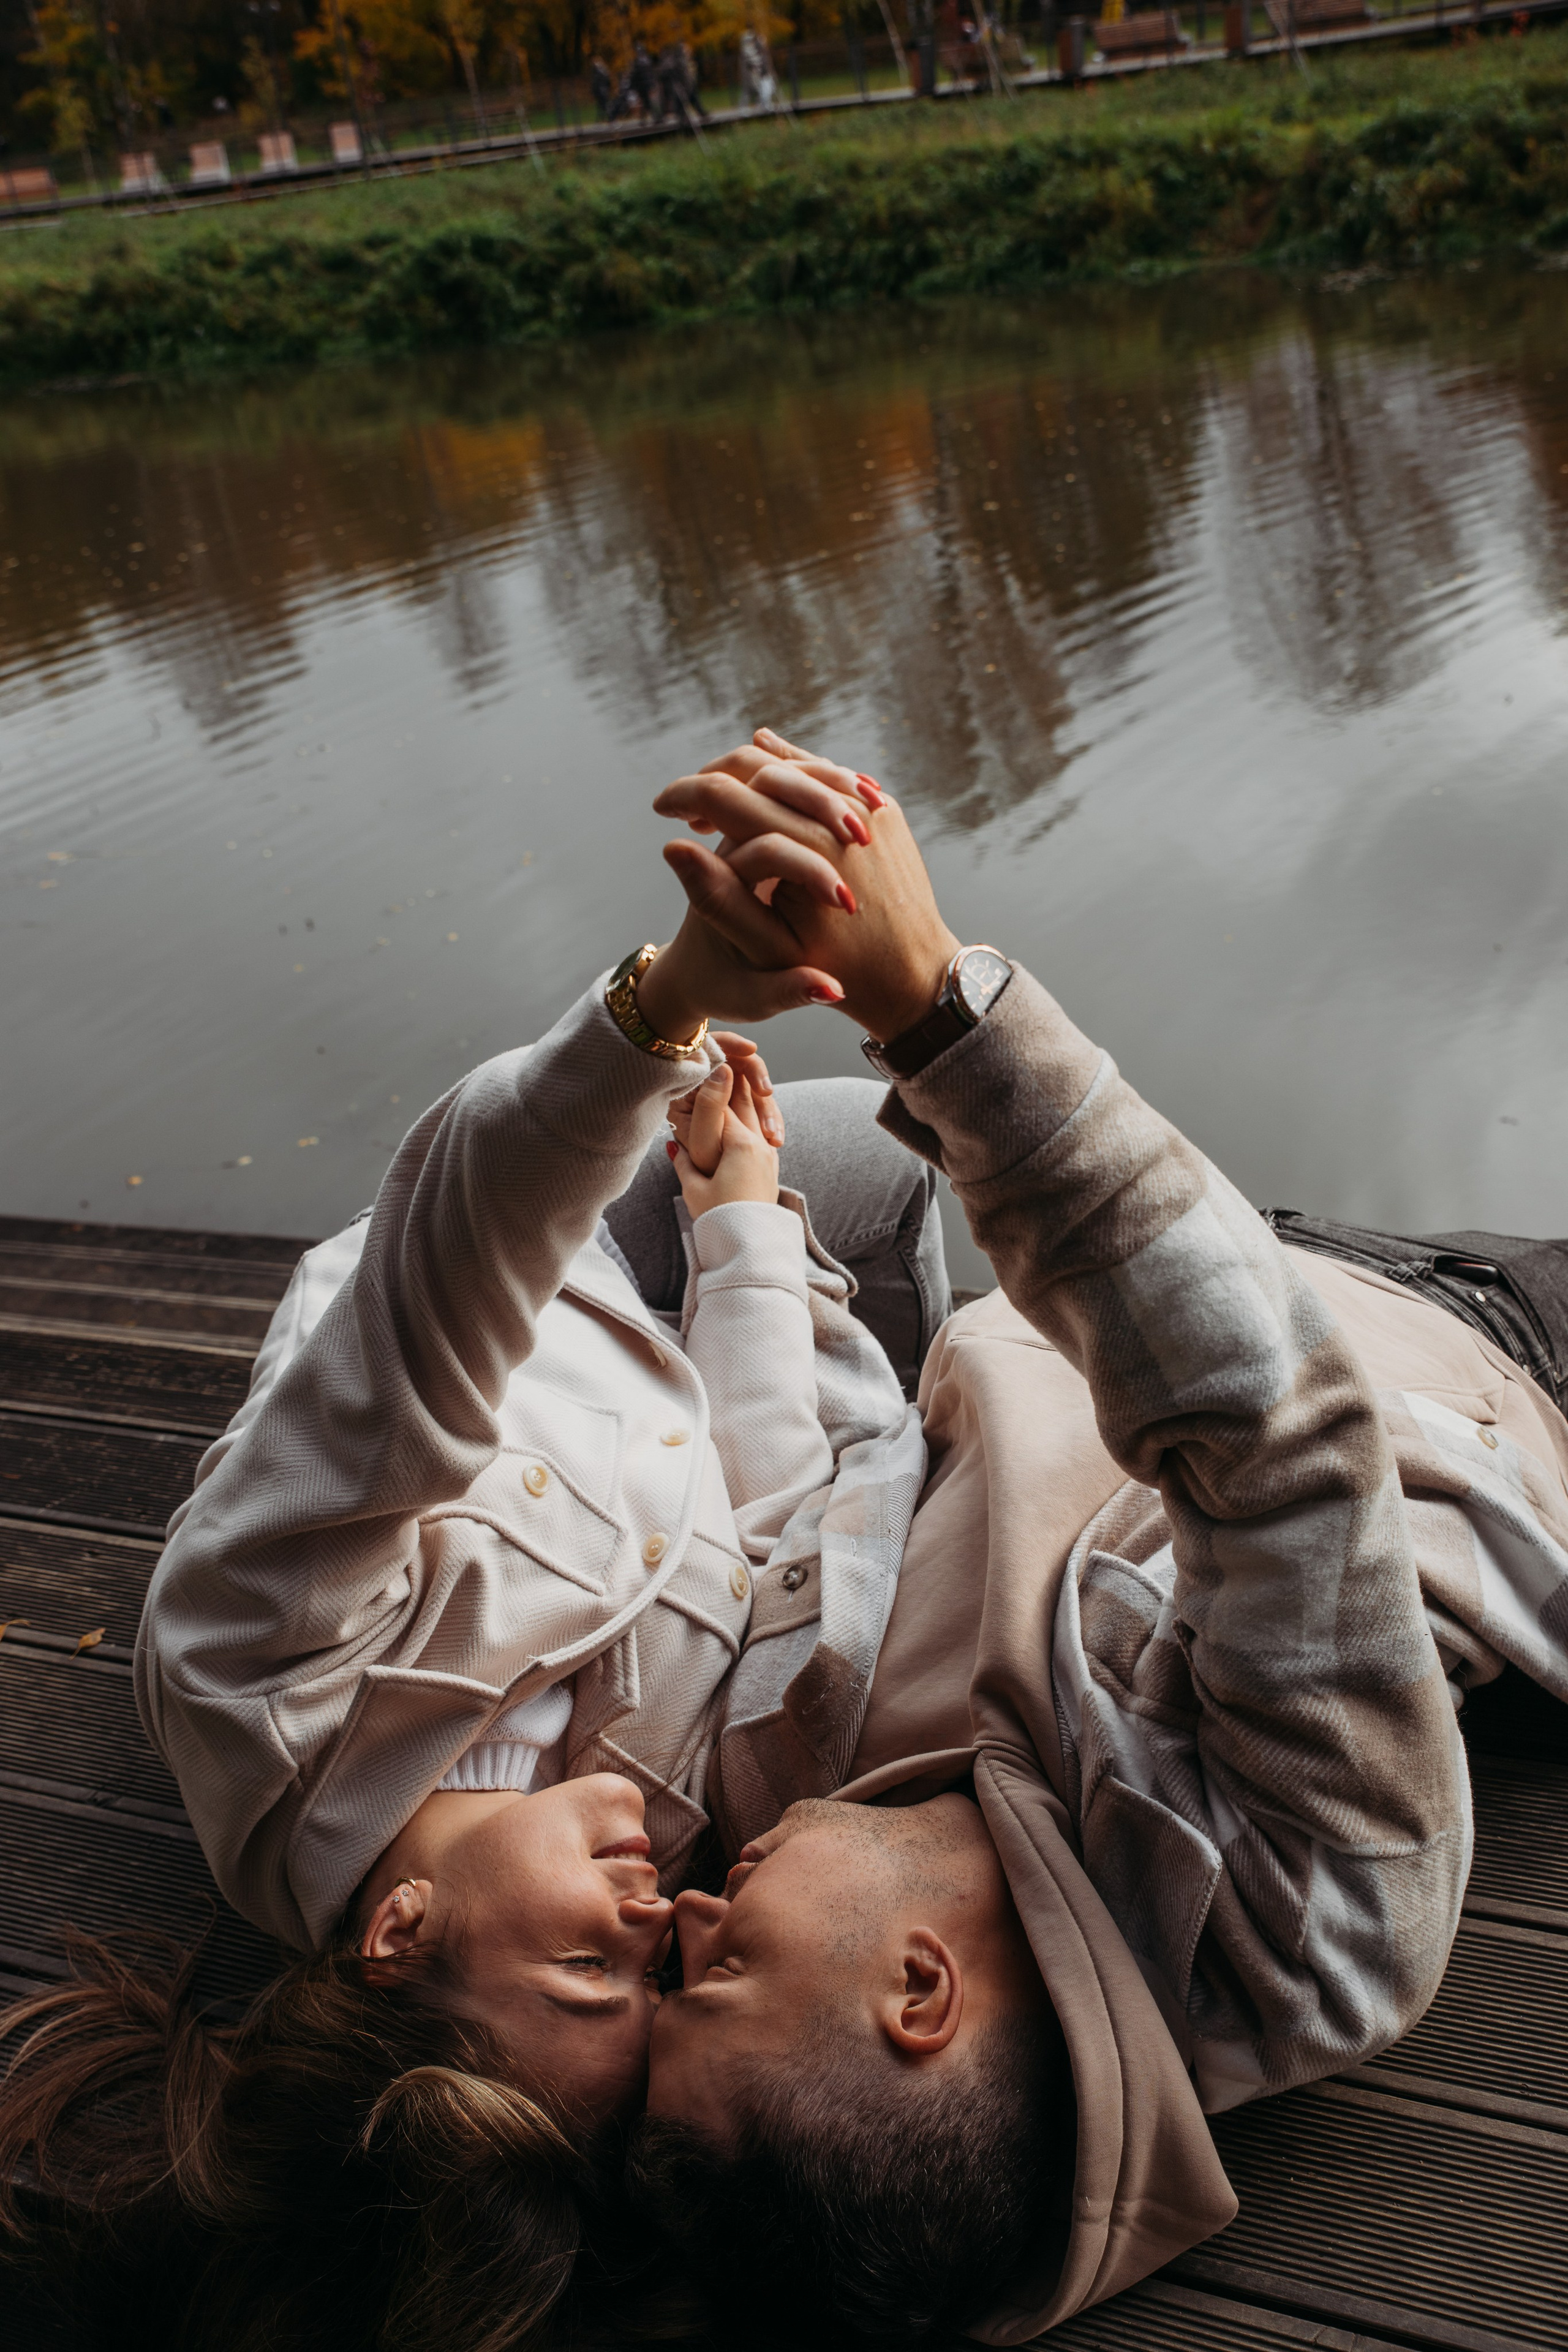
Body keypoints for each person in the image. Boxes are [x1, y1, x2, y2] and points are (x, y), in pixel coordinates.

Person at [629, 730, 1568, 2346]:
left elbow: (824, 1503)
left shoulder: (793, 1808)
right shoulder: (1287, 1918)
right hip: (1490, 1350)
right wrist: (932, 1009)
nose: (680, 1922)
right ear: (917, 1993)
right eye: (715, 1973)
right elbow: (1272, 1438)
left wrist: (738, 1231)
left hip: (1189, 1270)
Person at [0, 797, 943, 2352]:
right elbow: (761, 1522)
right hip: (671, 1326)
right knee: (868, 1168)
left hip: (510, 1249)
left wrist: (667, 999)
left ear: (397, 1932)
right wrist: (740, 1238)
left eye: (585, 1964)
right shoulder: (655, 1825)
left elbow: (437, 1304)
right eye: (648, 1986)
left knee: (853, 1134)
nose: (657, 1919)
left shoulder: (256, 1675)